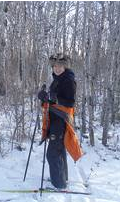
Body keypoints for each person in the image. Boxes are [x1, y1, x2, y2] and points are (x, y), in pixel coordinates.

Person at [37, 53, 76, 189]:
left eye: (60, 66)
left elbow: (70, 102)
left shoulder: (68, 80)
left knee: (52, 153)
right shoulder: (57, 79)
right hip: (55, 119)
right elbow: (52, 100)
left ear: (65, 67)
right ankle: (61, 178)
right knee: (59, 150)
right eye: (55, 66)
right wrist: (44, 98)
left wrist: (52, 97)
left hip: (61, 120)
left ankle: (59, 184)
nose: (57, 69)